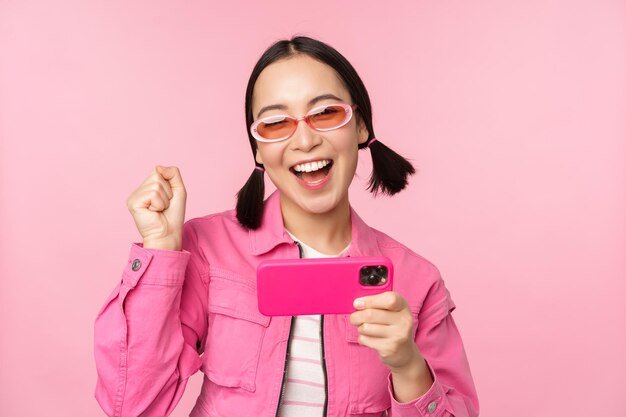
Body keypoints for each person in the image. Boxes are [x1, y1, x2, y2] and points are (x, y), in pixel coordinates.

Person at [94, 35, 479, 417]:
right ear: (258, 148)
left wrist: (407, 365)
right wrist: (161, 251)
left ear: (360, 126)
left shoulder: (417, 281)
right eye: (277, 123)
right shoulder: (207, 249)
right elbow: (130, 406)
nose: (306, 140)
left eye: (325, 113)